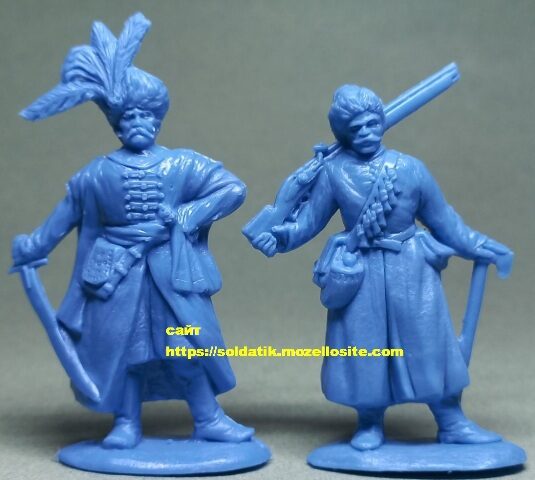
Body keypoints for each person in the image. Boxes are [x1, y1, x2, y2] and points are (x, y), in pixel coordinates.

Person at [12, 13, 253, 449]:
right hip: (116, 276)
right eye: (128, 116)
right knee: (125, 353)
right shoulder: (96, 173)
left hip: (172, 272)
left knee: (187, 346)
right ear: (116, 122)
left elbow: (233, 189)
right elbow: (64, 217)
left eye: (147, 115)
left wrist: (190, 214)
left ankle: (208, 418)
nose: (138, 123)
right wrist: (33, 245)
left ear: (158, 118)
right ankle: (126, 422)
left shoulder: (182, 162)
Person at [251, 84, 512, 450]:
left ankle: (451, 420)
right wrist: (279, 238)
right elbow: (309, 221)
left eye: (371, 123)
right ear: (344, 133)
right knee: (364, 348)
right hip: (361, 269)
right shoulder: (333, 172)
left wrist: (481, 246)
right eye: (355, 127)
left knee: (429, 345)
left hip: (411, 267)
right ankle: (370, 422)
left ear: (382, 122)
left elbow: (444, 221)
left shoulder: (410, 168)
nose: (365, 132)